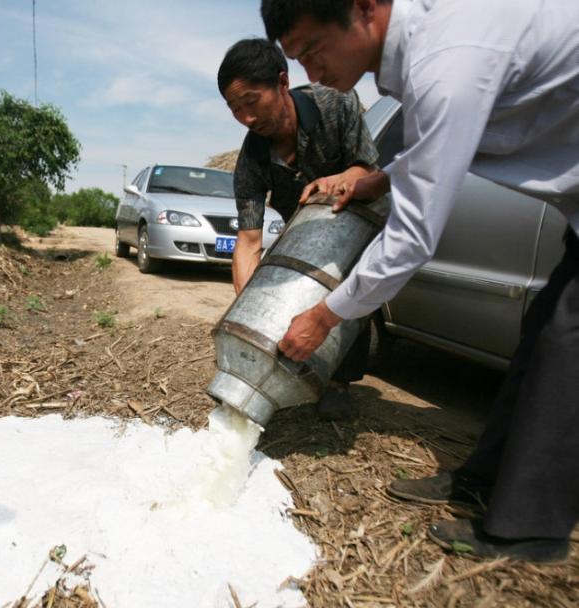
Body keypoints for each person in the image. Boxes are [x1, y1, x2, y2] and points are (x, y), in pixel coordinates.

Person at [260, 0, 579, 562]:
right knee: (542, 342)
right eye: (297, 58)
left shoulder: (446, 57)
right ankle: (484, 482)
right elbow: (444, 141)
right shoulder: (427, 57)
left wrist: (325, 315)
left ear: (364, 8)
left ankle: (528, 528)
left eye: (313, 50)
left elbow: (413, 237)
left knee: (565, 346)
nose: (312, 73)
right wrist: (376, 180)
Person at [217, 38, 380, 421]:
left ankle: (339, 383)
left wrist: (340, 179)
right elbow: (249, 241)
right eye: (235, 109)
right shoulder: (252, 158)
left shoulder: (335, 104)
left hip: (352, 220)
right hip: (300, 237)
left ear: (282, 82)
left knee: (346, 294)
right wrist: (251, 310)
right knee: (291, 298)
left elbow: (368, 168)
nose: (247, 118)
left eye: (252, 102)